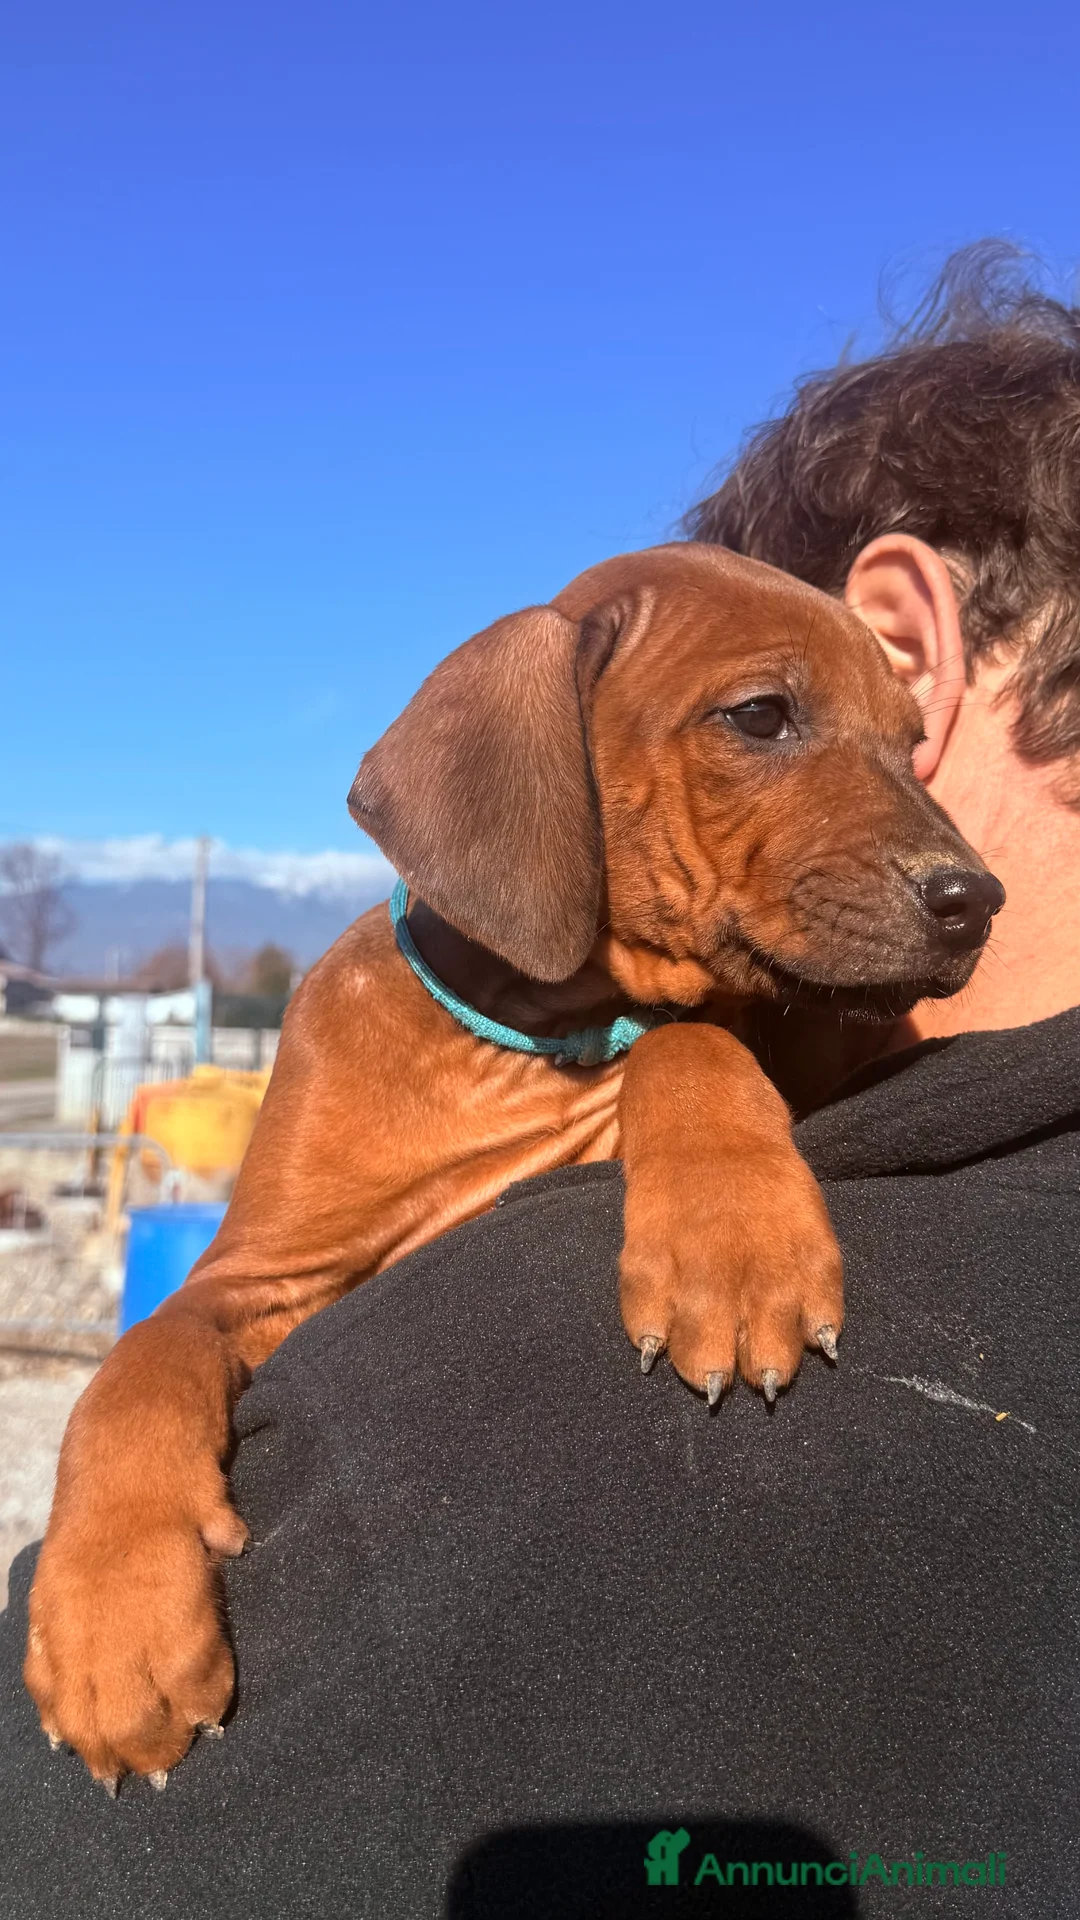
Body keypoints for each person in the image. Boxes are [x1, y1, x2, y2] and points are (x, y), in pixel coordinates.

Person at [2, 244, 1078, 1918]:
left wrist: (697, 1084)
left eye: (881, 746)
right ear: (537, 782)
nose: (936, 860)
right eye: (760, 721)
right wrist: (127, 1457)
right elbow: (245, 1296)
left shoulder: (737, 1028)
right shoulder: (371, 1020)